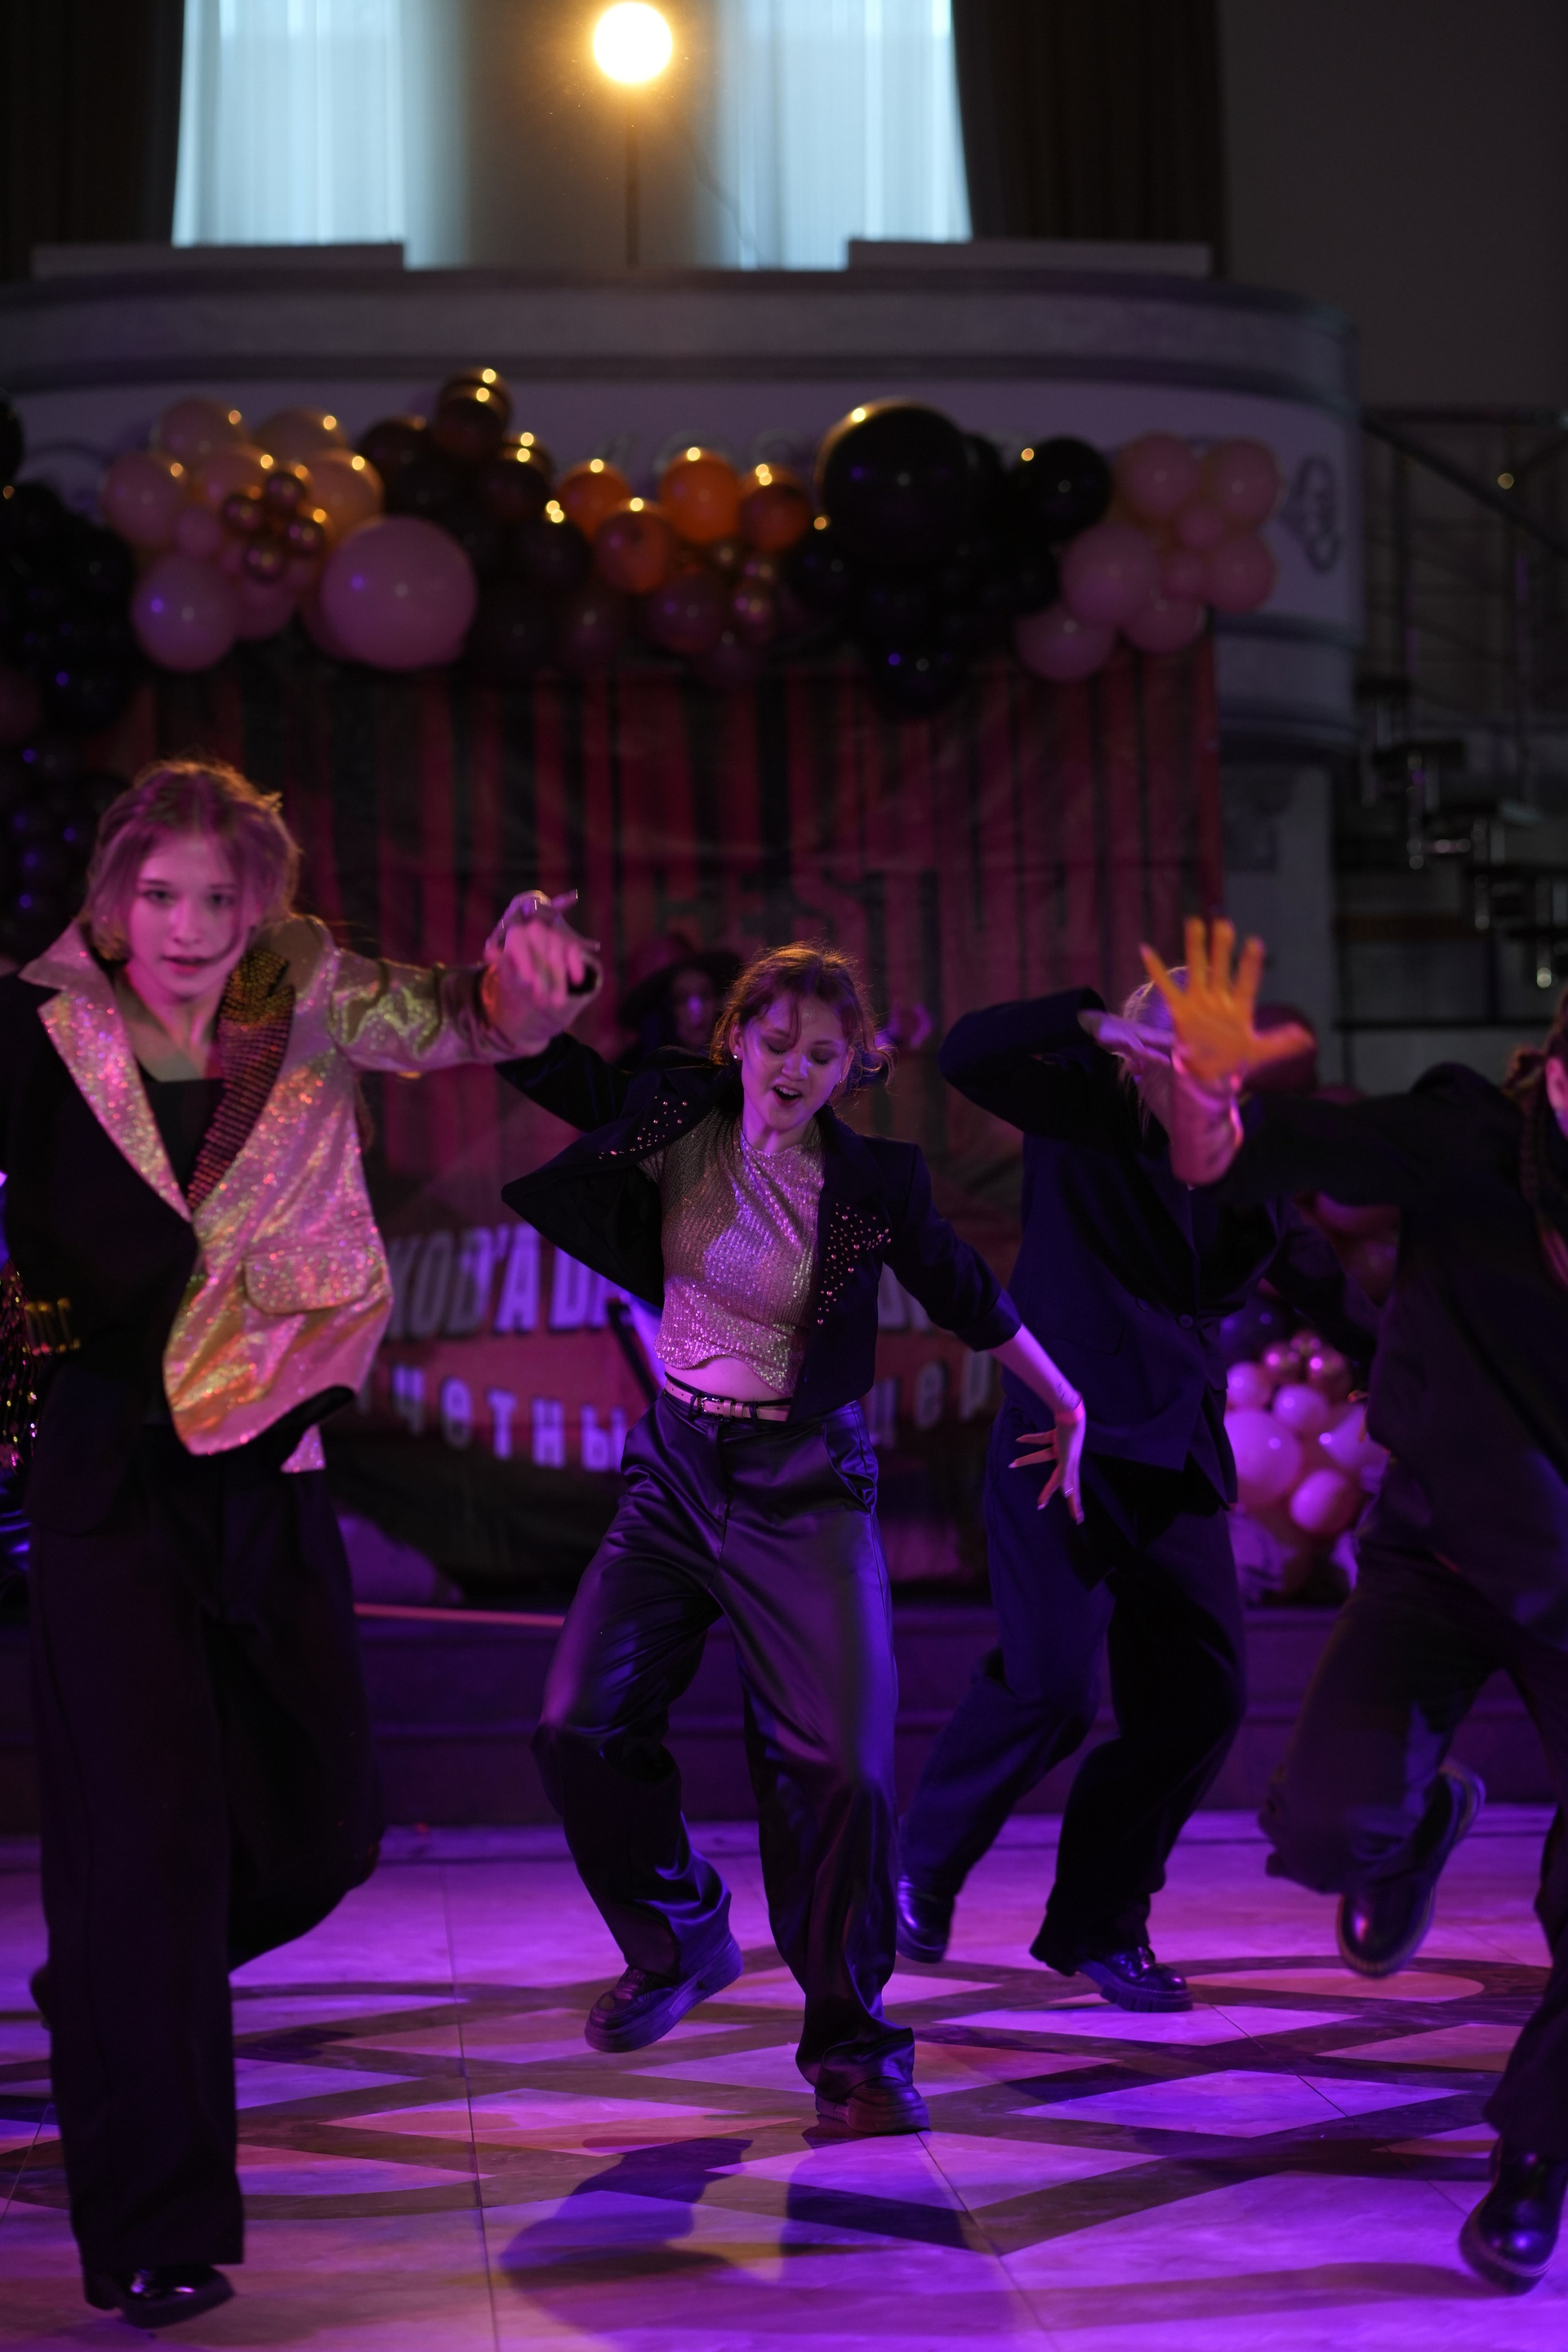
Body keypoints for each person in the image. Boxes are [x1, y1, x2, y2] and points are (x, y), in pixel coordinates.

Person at [7, 759, 555, 2329]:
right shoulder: (35, 1027)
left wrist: (519, 997)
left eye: (220, 897)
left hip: (272, 1463)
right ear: (114, 898)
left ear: (260, 906)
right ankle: (156, 2226)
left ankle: (115, 1982)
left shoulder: (301, 993)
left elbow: (451, 1017)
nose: (189, 925)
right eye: (160, 894)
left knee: (325, 1830)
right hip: (108, 1483)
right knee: (151, 1853)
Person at [492, 907, 1089, 2136]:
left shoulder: (871, 1182)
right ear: (738, 1040)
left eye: (824, 1054)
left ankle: (856, 2053)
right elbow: (554, 1070)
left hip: (805, 1484)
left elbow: (967, 1293)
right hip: (675, 1472)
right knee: (575, 1724)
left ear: (850, 1067)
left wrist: (1067, 1399)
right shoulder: (675, 1116)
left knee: (845, 1772)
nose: (795, 1069)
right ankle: (681, 1935)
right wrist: (509, 986)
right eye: (777, 1044)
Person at [1153, 916, 1568, 2296]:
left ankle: (1535, 2159)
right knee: (1327, 1827)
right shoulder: (1467, 1139)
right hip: (1438, 1558)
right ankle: (1417, 1828)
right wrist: (1207, 1098)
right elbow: (1246, 1160)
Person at [896, 978, 1379, 2008]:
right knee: (1051, 1690)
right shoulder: (1084, 1107)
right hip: (1060, 1441)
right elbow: (968, 1053)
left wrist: (1392, 1364)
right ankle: (919, 1865)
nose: (1213, 1078)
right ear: (1136, 1054)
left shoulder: (1243, 1157)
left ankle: (1101, 1921)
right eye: (1187, 1053)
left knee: (1203, 1699)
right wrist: (1085, 1016)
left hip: (1176, 1454)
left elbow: (1307, 1264)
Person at [616, 931, 742, 1067]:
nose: (696, 1008)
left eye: (705, 995)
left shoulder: (737, 1065)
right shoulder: (635, 1071)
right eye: (682, 999)